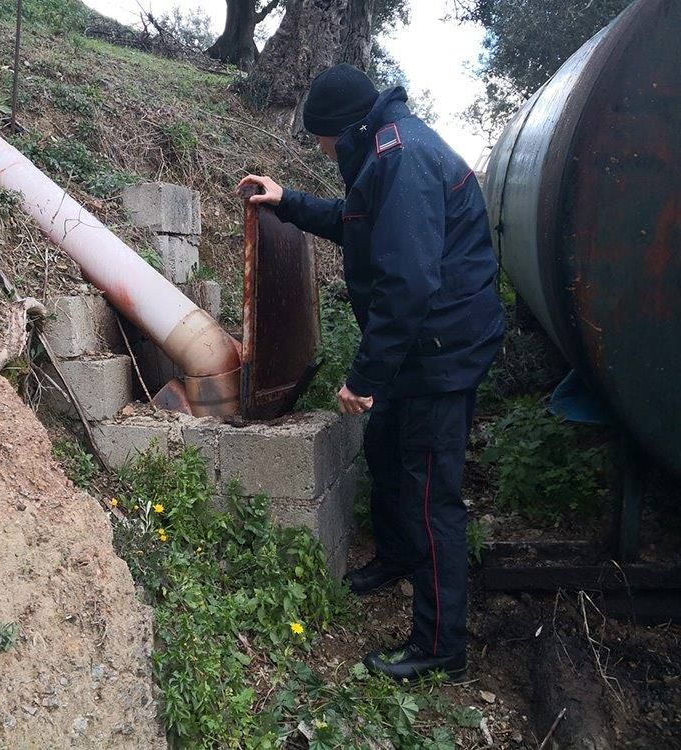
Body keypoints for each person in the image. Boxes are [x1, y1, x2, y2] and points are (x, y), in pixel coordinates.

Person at [237, 64, 504, 681]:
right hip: (423, 345)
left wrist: (363, 378)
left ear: (352, 129)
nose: (325, 150)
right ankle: (397, 556)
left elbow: (408, 286)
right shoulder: (384, 152)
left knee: (434, 490)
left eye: (327, 140)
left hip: (443, 351)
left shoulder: (404, 160)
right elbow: (353, 221)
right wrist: (290, 203)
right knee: (385, 449)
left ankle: (442, 643)